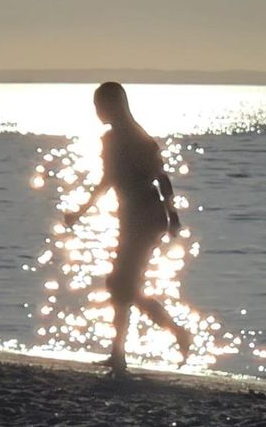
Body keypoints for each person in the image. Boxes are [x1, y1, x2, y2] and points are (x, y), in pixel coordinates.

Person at [64, 82, 191, 373]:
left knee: (121, 285)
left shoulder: (134, 138)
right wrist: (80, 213)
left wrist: (173, 217)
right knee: (122, 286)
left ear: (113, 106)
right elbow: (108, 181)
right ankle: (119, 353)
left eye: (99, 106)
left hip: (146, 218)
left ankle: (177, 333)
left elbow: (162, 179)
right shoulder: (113, 138)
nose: (97, 111)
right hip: (131, 217)